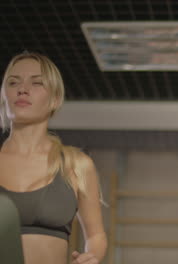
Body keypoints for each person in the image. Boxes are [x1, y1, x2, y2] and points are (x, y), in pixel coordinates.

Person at [0, 51, 107, 264]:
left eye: (37, 83)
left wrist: (90, 256)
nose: (22, 89)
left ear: (55, 98)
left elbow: (96, 235)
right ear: (4, 95)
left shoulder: (76, 165)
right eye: (13, 83)